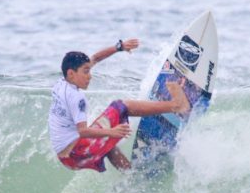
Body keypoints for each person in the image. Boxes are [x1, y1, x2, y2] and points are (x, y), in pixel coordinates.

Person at [48, 39, 190, 172]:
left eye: (89, 70)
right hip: (77, 152)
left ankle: (130, 175)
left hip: (68, 158)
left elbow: (96, 58)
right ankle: (176, 105)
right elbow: (83, 131)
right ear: (71, 74)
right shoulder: (76, 97)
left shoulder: (62, 83)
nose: (90, 76)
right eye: (85, 71)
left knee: (106, 143)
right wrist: (112, 132)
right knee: (121, 106)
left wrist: (119, 47)